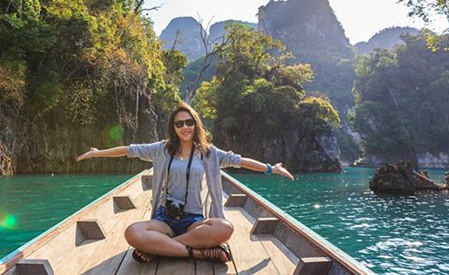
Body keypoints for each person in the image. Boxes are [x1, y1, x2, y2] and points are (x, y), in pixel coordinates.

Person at [76, 101, 294, 264]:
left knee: (224, 228)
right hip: (165, 218)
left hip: (193, 220)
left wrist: (270, 169)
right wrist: (97, 153)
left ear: (195, 124)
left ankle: (161, 247)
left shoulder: (210, 154)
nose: (185, 127)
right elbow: (128, 150)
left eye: (189, 122)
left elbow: (240, 161)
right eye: (179, 123)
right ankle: (197, 252)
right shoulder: (161, 149)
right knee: (132, 232)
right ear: (174, 127)